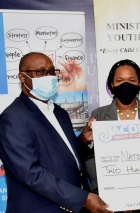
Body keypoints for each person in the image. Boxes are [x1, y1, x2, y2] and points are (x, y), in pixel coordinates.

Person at [0, 52, 112, 213]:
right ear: (22, 77)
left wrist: (84, 140)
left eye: (52, 71)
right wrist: (82, 198)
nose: (49, 76)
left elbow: (65, 156)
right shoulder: (12, 118)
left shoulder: (59, 113)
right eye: (40, 72)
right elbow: (31, 174)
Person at [80, 59, 140, 213]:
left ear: (139, 83)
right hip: (111, 198)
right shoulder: (99, 115)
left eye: (131, 80)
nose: (126, 85)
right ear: (112, 85)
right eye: (119, 80)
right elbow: (90, 157)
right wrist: (107, 190)